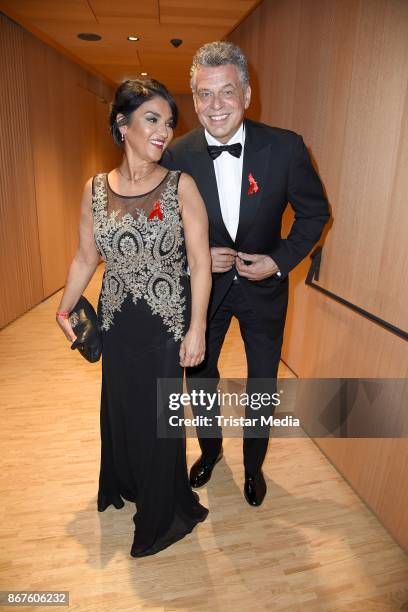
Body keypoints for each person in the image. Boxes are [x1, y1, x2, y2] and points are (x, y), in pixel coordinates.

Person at [162, 41, 330, 507]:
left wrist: (278, 260)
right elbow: (160, 228)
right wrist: (194, 255)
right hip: (203, 293)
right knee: (198, 377)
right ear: (193, 100)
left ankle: (254, 465)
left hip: (265, 291)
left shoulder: (287, 147)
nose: (215, 106)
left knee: (261, 384)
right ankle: (211, 449)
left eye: (227, 92)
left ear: (247, 94)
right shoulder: (175, 157)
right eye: (204, 94)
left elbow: (315, 215)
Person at [56, 79, 211, 557]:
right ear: (122, 125)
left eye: (168, 122)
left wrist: (198, 327)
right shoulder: (95, 190)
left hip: (165, 327)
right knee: (122, 409)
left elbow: (201, 262)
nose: (163, 131)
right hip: (117, 324)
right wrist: (65, 307)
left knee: (159, 420)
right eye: (152, 119)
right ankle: (125, 481)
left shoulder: (180, 185)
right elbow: (86, 256)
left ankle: (163, 513)